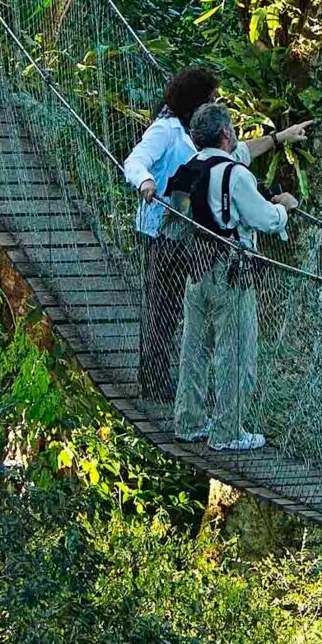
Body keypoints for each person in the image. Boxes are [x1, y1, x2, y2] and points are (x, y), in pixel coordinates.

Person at [164, 101, 296, 454]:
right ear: (225, 133)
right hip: (230, 271)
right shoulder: (234, 174)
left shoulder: (190, 168)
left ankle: (189, 422)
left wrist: (278, 138)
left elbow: (178, 220)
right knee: (236, 351)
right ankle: (227, 431)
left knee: (195, 349)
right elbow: (264, 219)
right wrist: (285, 207)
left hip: (196, 269)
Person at [122, 64, 220, 401]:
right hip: (160, 232)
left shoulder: (191, 132)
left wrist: (279, 138)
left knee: (171, 308)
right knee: (160, 307)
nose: (214, 103)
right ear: (195, 99)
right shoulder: (165, 129)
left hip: (183, 232)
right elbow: (135, 160)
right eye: (210, 97)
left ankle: (160, 377)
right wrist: (146, 180)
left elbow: (230, 157)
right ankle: (152, 382)